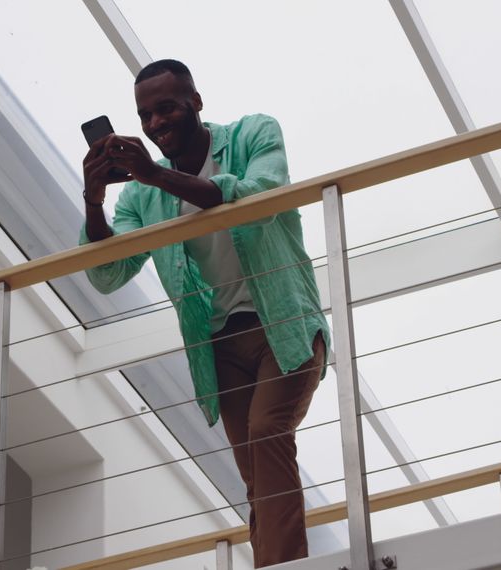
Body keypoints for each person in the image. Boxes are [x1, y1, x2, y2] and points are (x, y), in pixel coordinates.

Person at [79, 59, 329, 567]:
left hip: (284, 324)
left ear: (196, 101)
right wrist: (93, 200)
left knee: (266, 431)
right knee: (255, 472)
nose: (155, 124)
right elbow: (108, 274)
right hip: (219, 345)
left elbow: (259, 196)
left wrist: (156, 174)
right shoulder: (140, 195)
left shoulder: (253, 133)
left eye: (166, 108)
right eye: (145, 115)